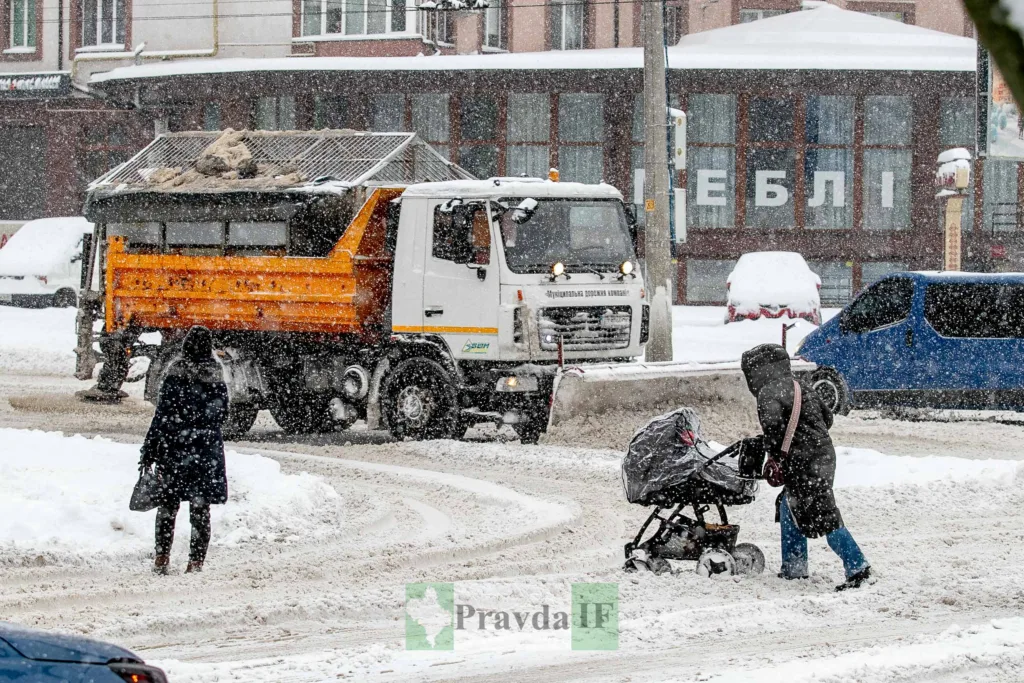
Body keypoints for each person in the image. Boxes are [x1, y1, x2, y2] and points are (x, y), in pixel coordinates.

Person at [740, 343, 871, 591]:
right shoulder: (801, 385)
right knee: (790, 504)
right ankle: (794, 567)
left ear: (757, 372)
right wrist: (809, 436)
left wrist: (775, 455)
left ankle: (858, 567)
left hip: (802, 461)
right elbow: (827, 418)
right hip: (823, 454)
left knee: (824, 512)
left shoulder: (768, 392)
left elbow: (773, 430)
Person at [140, 326, 229, 574]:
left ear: (185, 347)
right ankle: (195, 562)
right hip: (205, 452)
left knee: (168, 506)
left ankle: (162, 557)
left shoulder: (174, 372)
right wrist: (202, 426)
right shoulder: (216, 375)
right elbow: (222, 414)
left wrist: (150, 447)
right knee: (200, 508)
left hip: (174, 448)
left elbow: (162, 414)